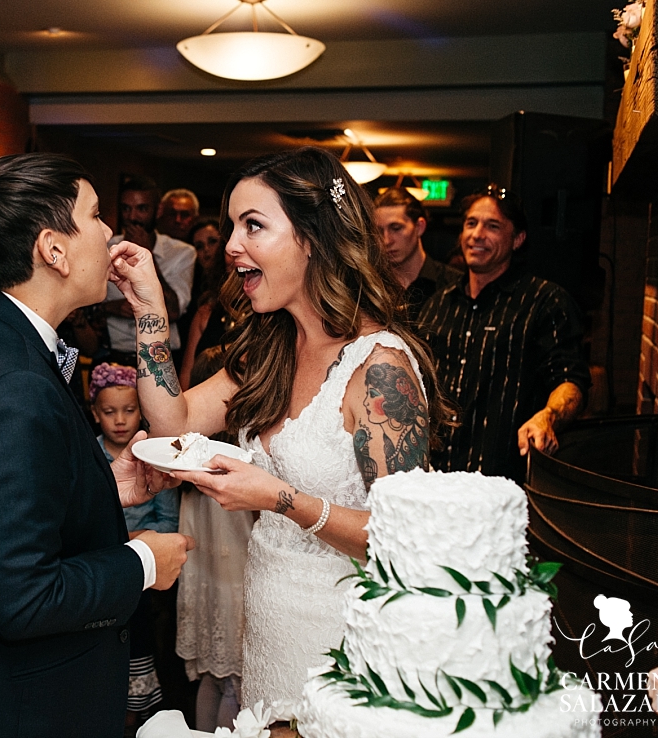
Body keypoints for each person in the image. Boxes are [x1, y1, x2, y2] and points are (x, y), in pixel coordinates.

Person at [110, 147, 449, 710]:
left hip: (344, 641)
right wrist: (151, 313)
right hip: (269, 631)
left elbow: (404, 542)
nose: (233, 245)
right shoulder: (271, 349)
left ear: (312, 238)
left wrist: (277, 498)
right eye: (232, 226)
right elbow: (172, 420)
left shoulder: (379, 367)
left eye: (254, 226)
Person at [0, 153, 193, 737]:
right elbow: (23, 597)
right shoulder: (14, 386)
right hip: (3, 702)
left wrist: (103, 488)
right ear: (53, 249)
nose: (110, 233)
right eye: (97, 215)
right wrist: (145, 561)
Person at [419, 188, 590, 484]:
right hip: (435, 484)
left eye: (493, 226)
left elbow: (570, 380)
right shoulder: (437, 305)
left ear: (518, 239)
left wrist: (547, 415)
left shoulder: (544, 302)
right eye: (471, 224)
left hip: (503, 490)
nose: (477, 234)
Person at [89, 362, 180, 726]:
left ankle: (136, 704)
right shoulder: (90, 456)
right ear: (95, 414)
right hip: (100, 564)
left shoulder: (151, 458)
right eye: (110, 412)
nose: (120, 420)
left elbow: (167, 519)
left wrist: (140, 544)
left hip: (141, 567)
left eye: (129, 411)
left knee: (136, 636)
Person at [176, 346, 253, 732]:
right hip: (237, 587)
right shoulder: (241, 464)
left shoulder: (189, 462)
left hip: (205, 585)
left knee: (211, 677)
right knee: (236, 688)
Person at [103, 174, 195, 366]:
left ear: (158, 210)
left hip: (162, 358)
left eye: (142, 209)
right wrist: (110, 308)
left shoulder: (182, 253)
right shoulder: (105, 248)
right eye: (126, 209)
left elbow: (174, 311)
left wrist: (148, 258)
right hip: (114, 356)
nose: (132, 217)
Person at [371, 187, 461, 321]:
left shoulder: (454, 284)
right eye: (379, 231)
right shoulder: (371, 286)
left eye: (396, 228)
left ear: (419, 227)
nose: (386, 240)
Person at [179, 217, 232, 389]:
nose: (207, 251)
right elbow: (187, 372)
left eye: (213, 242)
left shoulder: (264, 304)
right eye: (199, 246)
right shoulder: (204, 305)